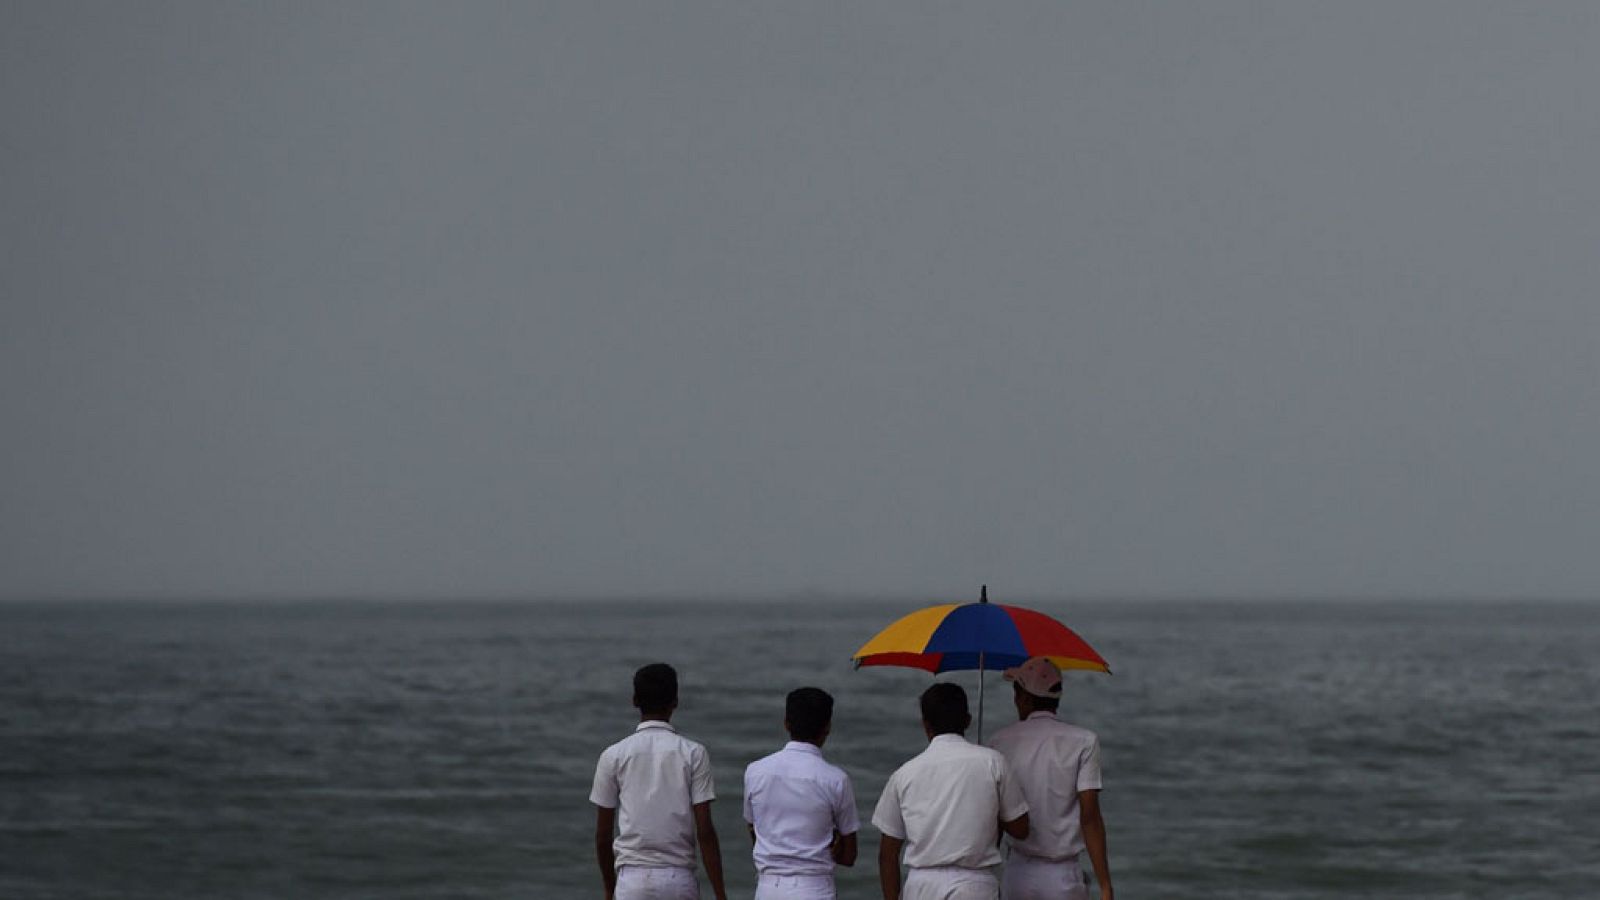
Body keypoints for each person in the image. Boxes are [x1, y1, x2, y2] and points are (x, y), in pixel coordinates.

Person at [871, 682, 1030, 900]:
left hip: (921, 887)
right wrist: (991, 811)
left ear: (925, 725)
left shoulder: (903, 775)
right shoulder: (993, 762)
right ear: (968, 720)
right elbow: (1021, 829)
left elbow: (887, 855)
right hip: (975, 886)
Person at [591, 663, 729, 900]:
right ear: (675, 701)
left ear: (634, 700)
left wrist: (609, 887)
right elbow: (705, 831)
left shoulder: (613, 755)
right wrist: (720, 894)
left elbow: (603, 835)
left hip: (631, 881)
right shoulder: (693, 753)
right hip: (679, 878)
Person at [986, 657, 1113, 900]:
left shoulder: (999, 742)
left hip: (1018, 872)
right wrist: (1105, 885)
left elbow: (996, 818)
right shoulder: (1084, 742)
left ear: (1024, 698)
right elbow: (1090, 818)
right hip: (1064, 876)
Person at [743, 687, 860, 899]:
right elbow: (849, 856)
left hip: (769, 889)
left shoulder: (755, 771)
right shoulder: (836, 780)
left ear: (786, 723)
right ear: (827, 727)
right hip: (815, 889)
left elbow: (754, 830)